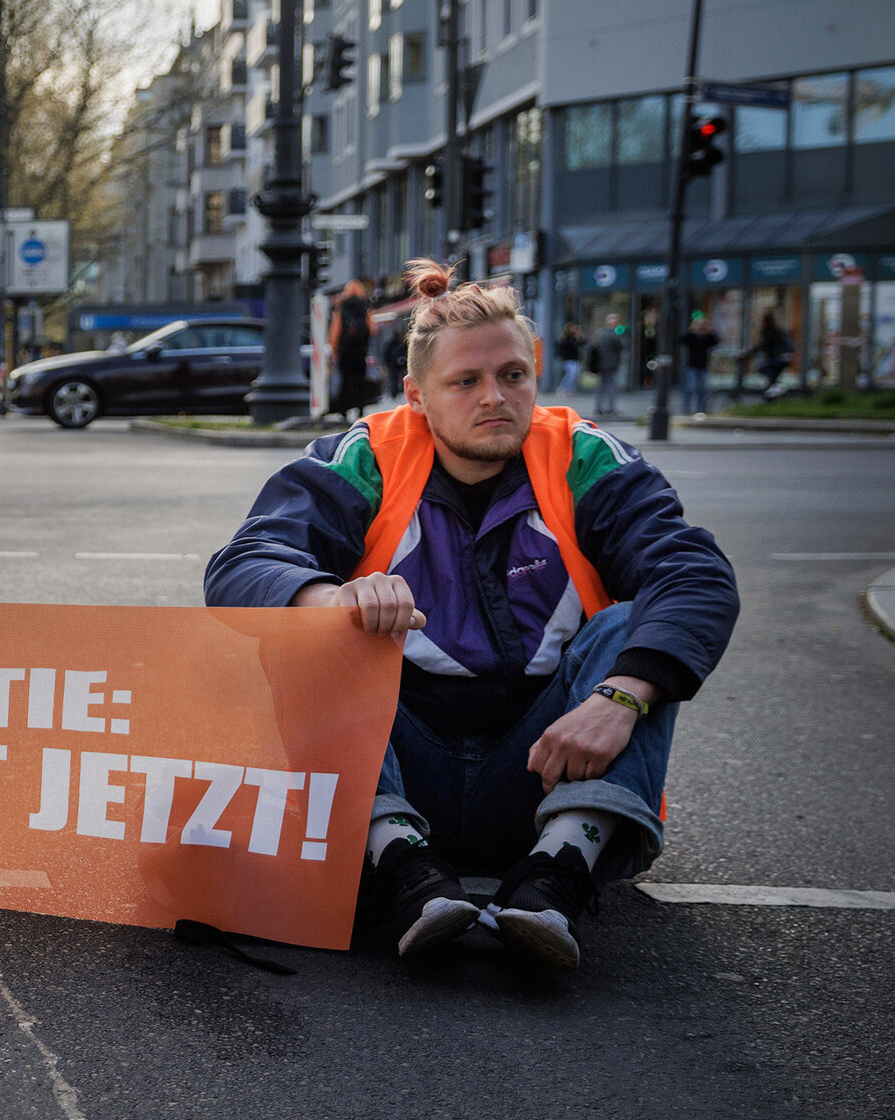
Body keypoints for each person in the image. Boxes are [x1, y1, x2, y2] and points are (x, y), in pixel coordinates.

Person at [204, 258, 738, 971]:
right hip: (394, 771)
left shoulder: (584, 457)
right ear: (416, 396)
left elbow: (695, 573)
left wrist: (622, 696)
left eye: (513, 375)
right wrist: (332, 599)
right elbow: (243, 563)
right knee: (302, 624)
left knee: (631, 627)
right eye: (465, 382)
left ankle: (554, 879)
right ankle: (402, 870)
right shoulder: (364, 456)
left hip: (545, 771)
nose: (495, 397)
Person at [327, 279, 377, 420]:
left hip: (345, 352)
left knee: (345, 380)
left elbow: (335, 331)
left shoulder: (341, 308)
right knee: (359, 380)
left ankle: (343, 410)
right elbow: (373, 329)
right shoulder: (365, 307)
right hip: (360, 351)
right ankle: (360, 409)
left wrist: (334, 350)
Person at [679, 315, 719, 415]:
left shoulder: (707, 337)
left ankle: (701, 409)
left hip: (703, 365)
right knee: (689, 388)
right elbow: (682, 340)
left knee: (703, 389)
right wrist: (692, 329)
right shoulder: (692, 337)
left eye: (702, 325)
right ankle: (686, 409)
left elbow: (715, 341)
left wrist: (710, 330)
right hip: (692, 365)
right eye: (699, 325)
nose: (701, 327)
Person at [589, 313, 626, 417]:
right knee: (610, 386)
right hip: (611, 364)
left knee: (600, 386)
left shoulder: (599, 333)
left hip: (600, 364)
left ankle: (599, 407)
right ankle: (610, 408)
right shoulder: (614, 335)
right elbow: (620, 347)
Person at [752, 308, 793, 392]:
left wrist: (749, 353)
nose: (760, 324)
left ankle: (777, 386)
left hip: (778, 358)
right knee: (771, 374)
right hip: (785, 358)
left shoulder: (769, 332)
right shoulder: (778, 330)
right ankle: (773, 389)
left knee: (762, 369)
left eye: (761, 322)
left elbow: (762, 345)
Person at [552, 322, 585, 395]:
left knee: (574, 375)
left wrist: (579, 336)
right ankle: (563, 387)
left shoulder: (575, 338)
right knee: (571, 374)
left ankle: (570, 389)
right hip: (568, 359)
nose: (574, 330)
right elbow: (564, 347)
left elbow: (583, 343)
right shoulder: (565, 338)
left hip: (575, 359)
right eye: (573, 328)